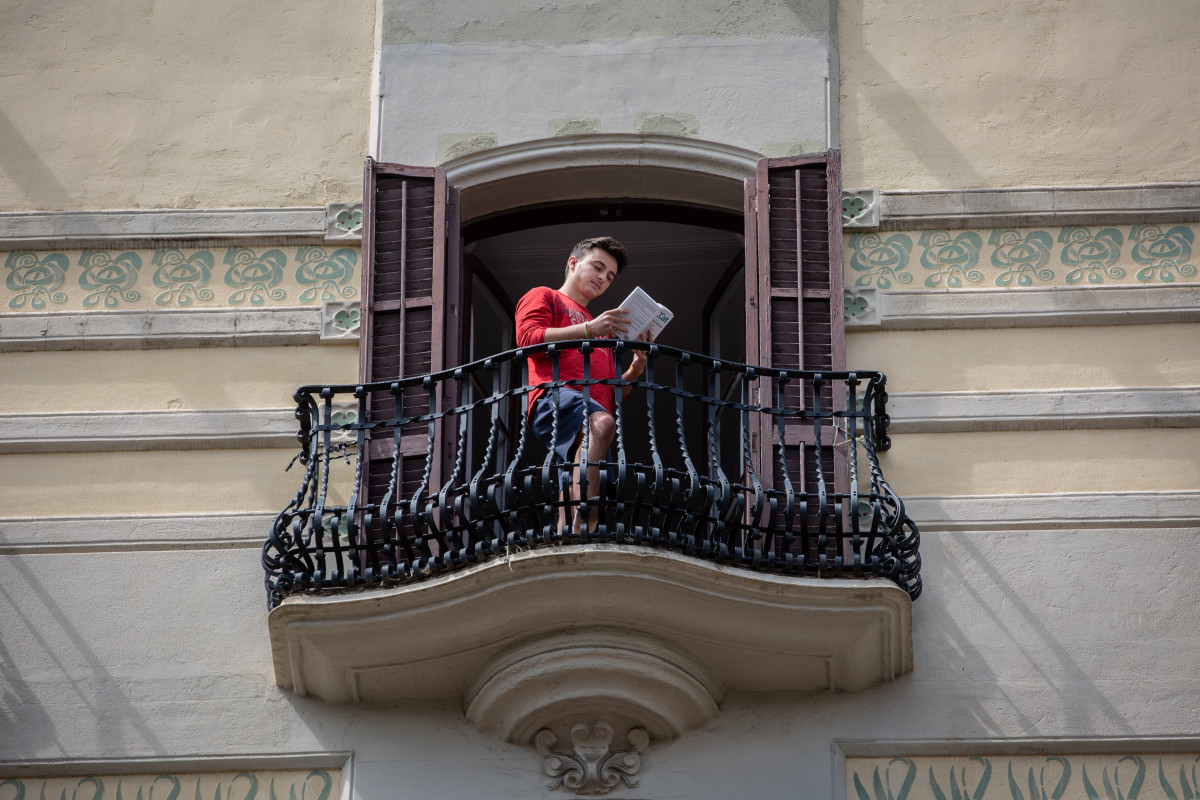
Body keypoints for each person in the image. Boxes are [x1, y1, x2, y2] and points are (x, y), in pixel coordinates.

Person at [514, 236, 648, 529]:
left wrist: (634, 372)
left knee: (577, 471)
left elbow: (611, 394)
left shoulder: (602, 331)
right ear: (573, 263)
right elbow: (527, 340)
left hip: (590, 408)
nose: (603, 278)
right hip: (554, 395)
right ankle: (584, 520)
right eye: (598, 267)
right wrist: (589, 328)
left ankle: (572, 534)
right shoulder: (545, 296)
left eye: (610, 276)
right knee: (602, 425)